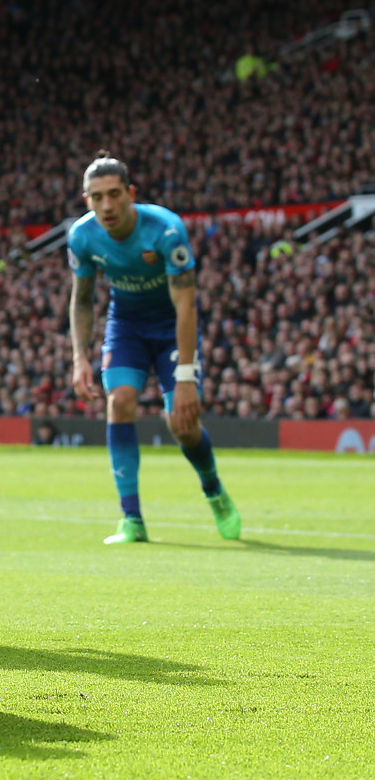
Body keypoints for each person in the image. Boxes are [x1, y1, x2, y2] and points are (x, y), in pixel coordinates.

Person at [67, 152, 241, 544]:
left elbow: (186, 305)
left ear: (131, 194)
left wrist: (185, 377)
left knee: (182, 424)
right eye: (97, 197)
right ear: (86, 200)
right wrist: (79, 357)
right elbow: (82, 299)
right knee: (119, 401)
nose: (106, 206)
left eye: (114, 194)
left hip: (171, 327)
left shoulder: (166, 230)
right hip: (126, 325)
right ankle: (131, 519)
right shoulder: (81, 236)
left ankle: (213, 489)